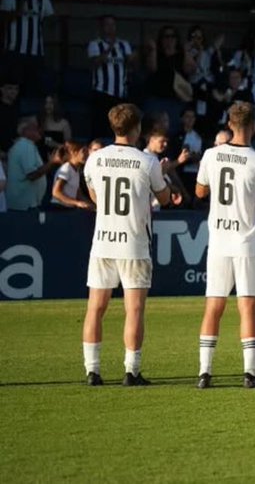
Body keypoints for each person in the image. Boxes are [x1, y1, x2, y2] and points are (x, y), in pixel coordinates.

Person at [194, 102, 255, 389]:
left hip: (218, 241)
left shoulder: (211, 156)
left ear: (229, 123)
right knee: (248, 308)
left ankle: (205, 373)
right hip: (247, 241)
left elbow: (200, 191)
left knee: (213, 306)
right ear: (254, 125)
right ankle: (250, 374)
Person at [81, 103, 171, 386]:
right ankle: (131, 371)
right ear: (138, 128)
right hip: (134, 242)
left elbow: (94, 196)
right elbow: (165, 199)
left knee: (96, 307)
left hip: (104, 240)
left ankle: (92, 371)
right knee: (134, 309)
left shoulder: (95, 158)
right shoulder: (148, 161)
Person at [1, 0, 54, 97]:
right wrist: (17, 12)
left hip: (36, 53)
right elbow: (2, 19)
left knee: (34, 91)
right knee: (13, 89)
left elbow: (51, 20)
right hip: (15, 52)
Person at [8, 117, 61, 211]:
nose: (40, 130)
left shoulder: (24, 145)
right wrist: (52, 162)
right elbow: (32, 175)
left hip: (24, 204)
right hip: (25, 206)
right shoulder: (26, 146)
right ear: (26, 131)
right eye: (36, 128)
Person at [50, 141, 92, 209]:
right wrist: (77, 203)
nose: (87, 154)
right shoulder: (66, 169)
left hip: (68, 209)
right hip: (58, 209)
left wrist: (91, 205)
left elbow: (77, 192)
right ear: (74, 152)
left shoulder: (77, 170)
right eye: (83, 151)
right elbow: (56, 193)